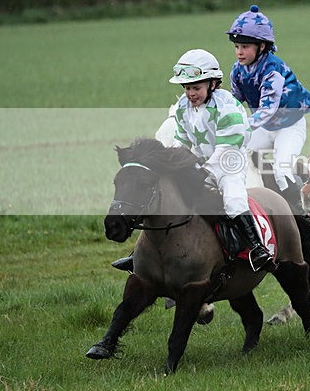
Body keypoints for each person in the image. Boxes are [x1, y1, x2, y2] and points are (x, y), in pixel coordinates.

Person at [113, 49, 275, 273]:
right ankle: (139, 255)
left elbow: (226, 147)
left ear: (213, 84)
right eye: (187, 88)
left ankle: (256, 249)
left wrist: (205, 171)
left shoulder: (228, 107)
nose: (191, 93)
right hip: (198, 164)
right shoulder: (182, 107)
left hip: (229, 163)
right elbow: (182, 143)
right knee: (165, 197)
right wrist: (178, 167)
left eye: (196, 87)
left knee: (233, 200)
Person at [226, 5, 310, 213]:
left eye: (245, 47)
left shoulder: (272, 69)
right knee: (239, 155)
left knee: (281, 171)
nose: (239, 52)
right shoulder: (237, 70)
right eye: (237, 46)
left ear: (263, 46)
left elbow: (267, 109)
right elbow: (234, 101)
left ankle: (303, 214)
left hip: (289, 125)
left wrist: (241, 126)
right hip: (265, 127)